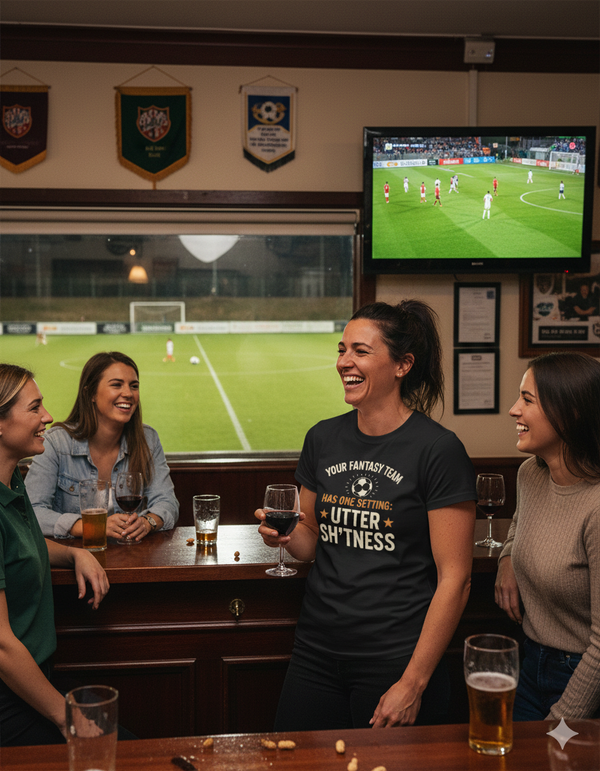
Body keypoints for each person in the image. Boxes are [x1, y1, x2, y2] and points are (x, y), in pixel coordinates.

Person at [256, 301, 476, 731]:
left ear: (402, 364)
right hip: (316, 652)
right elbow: (310, 542)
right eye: (342, 350)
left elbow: (457, 580)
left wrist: (412, 684)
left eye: (360, 351)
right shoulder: (322, 437)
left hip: (395, 659)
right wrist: (281, 536)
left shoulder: (438, 450)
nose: (344, 362)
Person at [0, 363, 110, 745]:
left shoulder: (12, 480)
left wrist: (73, 555)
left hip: (35, 682)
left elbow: (21, 549)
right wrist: (67, 719)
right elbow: (1, 645)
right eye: (35, 408)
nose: (48, 416)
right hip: (10, 700)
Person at [495, 352, 600, 720]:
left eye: (527, 400)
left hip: (582, 678)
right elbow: (518, 524)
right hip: (530, 662)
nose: (513, 410)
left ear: (570, 413)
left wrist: (560, 723)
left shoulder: (597, 508)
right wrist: (508, 558)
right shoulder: (530, 474)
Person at [25, 352, 179, 542]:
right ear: (90, 394)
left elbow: (167, 501)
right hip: (75, 561)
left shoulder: (148, 439)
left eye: (134, 386)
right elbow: (31, 513)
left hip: (131, 559)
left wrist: (148, 522)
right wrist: (92, 527)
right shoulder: (55, 443)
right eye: (116, 385)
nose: (128, 394)